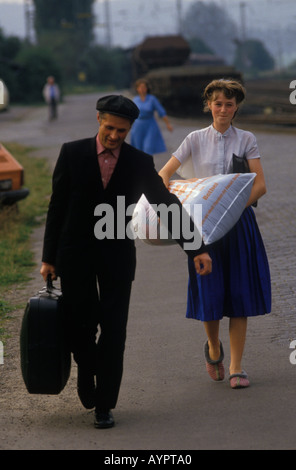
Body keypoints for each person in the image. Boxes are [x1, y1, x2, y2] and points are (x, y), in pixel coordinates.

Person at [40, 94, 212, 429]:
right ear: (98, 120)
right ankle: (87, 370)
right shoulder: (72, 153)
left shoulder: (137, 161)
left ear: (130, 128)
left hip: (117, 257)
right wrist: (48, 257)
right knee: (81, 327)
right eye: (110, 128)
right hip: (74, 254)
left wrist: (196, 248)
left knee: (115, 331)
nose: (115, 135)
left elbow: (165, 204)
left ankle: (104, 405)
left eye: (122, 130)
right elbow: (56, 207)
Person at [159, 79, 271, 389]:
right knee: (209, 291)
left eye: (229, 104)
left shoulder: (246, 139)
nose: (223, 109)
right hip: (203, 229)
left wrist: (231, 209)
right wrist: (182, 198)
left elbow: (260, 185)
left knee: (240, 293)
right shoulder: (194, 139)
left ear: (237, 108)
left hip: (239, 226)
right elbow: (164, 175)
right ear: (209, 104)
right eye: (218, 103)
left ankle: (236, 366)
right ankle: (213, 346)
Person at [130, 78, 173, 154]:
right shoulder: (135, 99)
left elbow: (161, 111)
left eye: (144, 87)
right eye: (140, 87)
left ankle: (147, 164)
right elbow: (131, 113)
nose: (142, 89)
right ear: (137, 89)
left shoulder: (152, 99)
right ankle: (139, 165)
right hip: (138, 126)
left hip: (150, 125)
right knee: (138, 148)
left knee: (148, 147)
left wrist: (168, 124)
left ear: (147, 88)